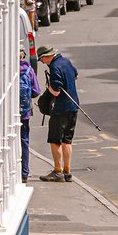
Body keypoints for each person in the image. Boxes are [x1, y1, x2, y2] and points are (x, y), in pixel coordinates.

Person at [38, 44, 80, 181]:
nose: (42, 62)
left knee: (55, 140)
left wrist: (48, 87)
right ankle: (67, 171)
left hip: (61, 108)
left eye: (42, 60)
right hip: (73, 105)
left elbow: (56, 90)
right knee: (67, 141)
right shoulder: (66, 61)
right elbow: (75, 74)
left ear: (46, 57)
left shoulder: (55, 67)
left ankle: (57, 171)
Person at [19, 48, 41, 182]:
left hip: (9, 113)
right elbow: (36, 91)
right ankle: (24, 173)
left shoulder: (8, 68)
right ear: (23, 56)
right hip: (25, 112)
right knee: (24, 142)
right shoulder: (29, 70)